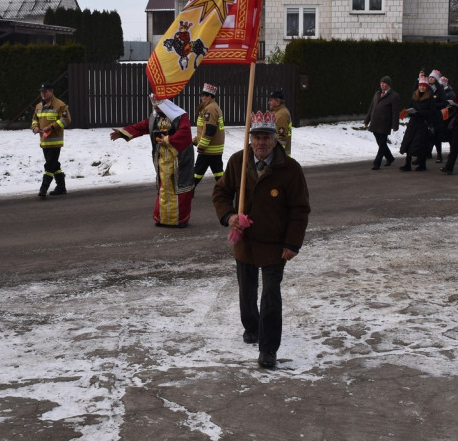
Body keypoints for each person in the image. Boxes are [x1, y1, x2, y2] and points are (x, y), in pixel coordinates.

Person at [212, 110, 310, 369]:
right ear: (250, 139)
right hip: (244, 241)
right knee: (247, 293)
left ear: (275, 140)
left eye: (266, 137)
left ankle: (268, 349)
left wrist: (292, 243)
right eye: (256, 137)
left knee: (270, 296)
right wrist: (229, 216)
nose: (261, 143)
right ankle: (252, 327)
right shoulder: (238, 162)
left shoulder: (290, 169)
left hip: (274, 246)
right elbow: (221, 193)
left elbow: (300, 210)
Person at [110, 95, 194, 227]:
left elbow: (185, 133)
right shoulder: (155, 118)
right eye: (155, 108)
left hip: (179, 159)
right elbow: (140, 127)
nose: (156, 110)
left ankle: (180, 220)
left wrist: (168, 140)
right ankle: (163, 218)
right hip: (162, 159)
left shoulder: (180, 116)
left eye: (158, 108)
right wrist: (122, 133)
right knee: (164, 187)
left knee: (179, 188)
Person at [31, 82, 72, 198]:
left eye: (45, 92)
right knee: (54, 165)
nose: (43, 94)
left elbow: (66, 120)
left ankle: (43, 189)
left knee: (49, 166)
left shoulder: (60, 105)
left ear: (51, 92)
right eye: (42, 92)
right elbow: (34, 119)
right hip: (44, 141)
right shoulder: (38, 106)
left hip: (55, 142)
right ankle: (61, 187)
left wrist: (52, 126)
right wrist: (35, 127)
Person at [398, 75, 437, 172]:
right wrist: (407, 112)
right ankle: (407, 164)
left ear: (426, 87)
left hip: (423, 124)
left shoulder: (430, 98)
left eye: (424, 86)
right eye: (420, 86)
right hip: (413, 123)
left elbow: (432, 111)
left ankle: (422, 165)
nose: (422, 87)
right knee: (408, 142)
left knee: (421, 145)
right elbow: (410, 106)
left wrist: (420, 112)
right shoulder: (414, 96)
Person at [363, 75, 400, 170]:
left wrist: (395, 125)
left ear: (388, 85)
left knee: (382, 143)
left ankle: (377, 163)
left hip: (385, 123)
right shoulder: (377, 93)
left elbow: (395, 112)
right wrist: (367, 120)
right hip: (375, 122)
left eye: (384, 83)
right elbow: (371, 107)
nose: (382, 85)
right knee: (380, 143)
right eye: (381, 83)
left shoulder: (394, 96)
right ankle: (390, 158)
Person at [192, 83, 226, 186]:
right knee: (219, 174)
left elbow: (209, 129)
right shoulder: (214, 107)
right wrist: (195, 140)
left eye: (204, 96)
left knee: (196, 174)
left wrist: (202, 146)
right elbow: (203, 129)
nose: (202, 98)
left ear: (209, 96)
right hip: (215, 148)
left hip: (208, 149)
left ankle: (188, 191)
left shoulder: (210, 109)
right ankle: (225, 190)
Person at [267, 90, 292, 155]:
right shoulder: (277, 112)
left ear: (278, 102)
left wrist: (278, 153)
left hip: (280, 155)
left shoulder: (281, 115)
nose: (269, 103)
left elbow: (281, 137)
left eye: (271, 100)